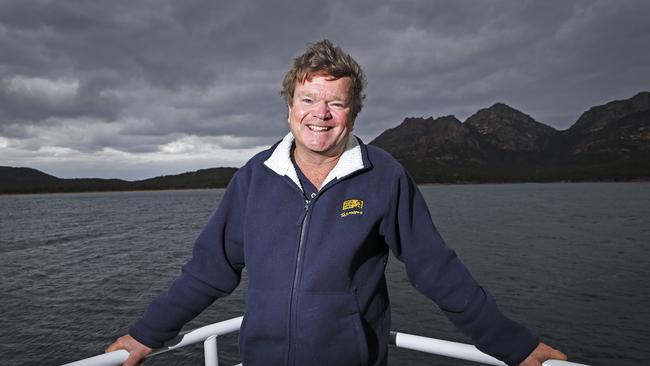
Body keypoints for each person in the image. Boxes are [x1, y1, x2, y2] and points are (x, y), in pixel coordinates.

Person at [107, 40, 568, 366]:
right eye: (308, 98)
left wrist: (513, 343)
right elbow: (209, 271)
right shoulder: (254, 178)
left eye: (336, 103)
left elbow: (436, 270)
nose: (320, 114)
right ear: (289, 107)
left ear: (354, 111)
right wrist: (146, 333)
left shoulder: (383, 176)